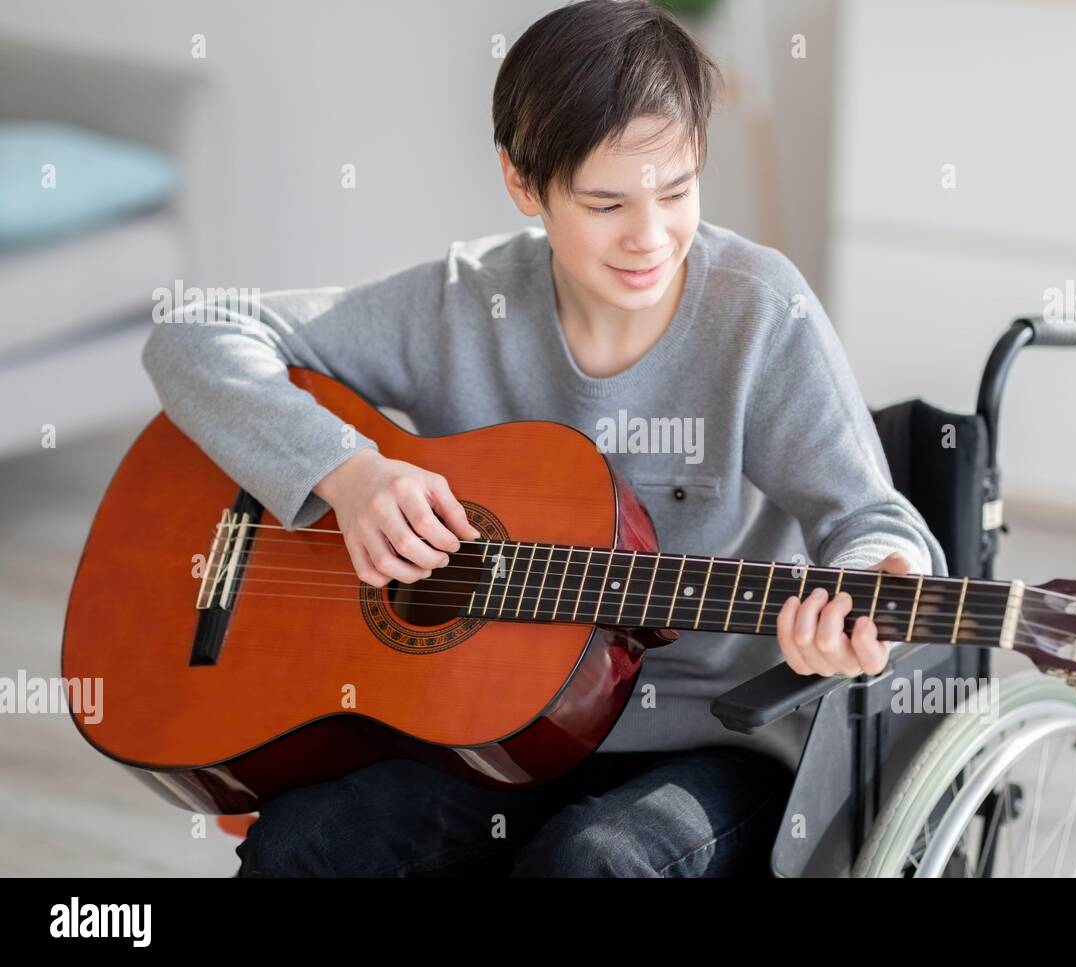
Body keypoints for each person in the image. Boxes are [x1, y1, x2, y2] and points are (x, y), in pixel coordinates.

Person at [142, 0, 945, 877]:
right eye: (606, 203)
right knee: (307, 846)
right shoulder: (463, 302)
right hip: (480, 731)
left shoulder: (759, 310)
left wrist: (877, 586)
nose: (650, 237)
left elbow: (872, 517)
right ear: (525, 183)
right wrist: (347, 471)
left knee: (593, 862)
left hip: (710, 739)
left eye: (676, 191)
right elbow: (194, 334)